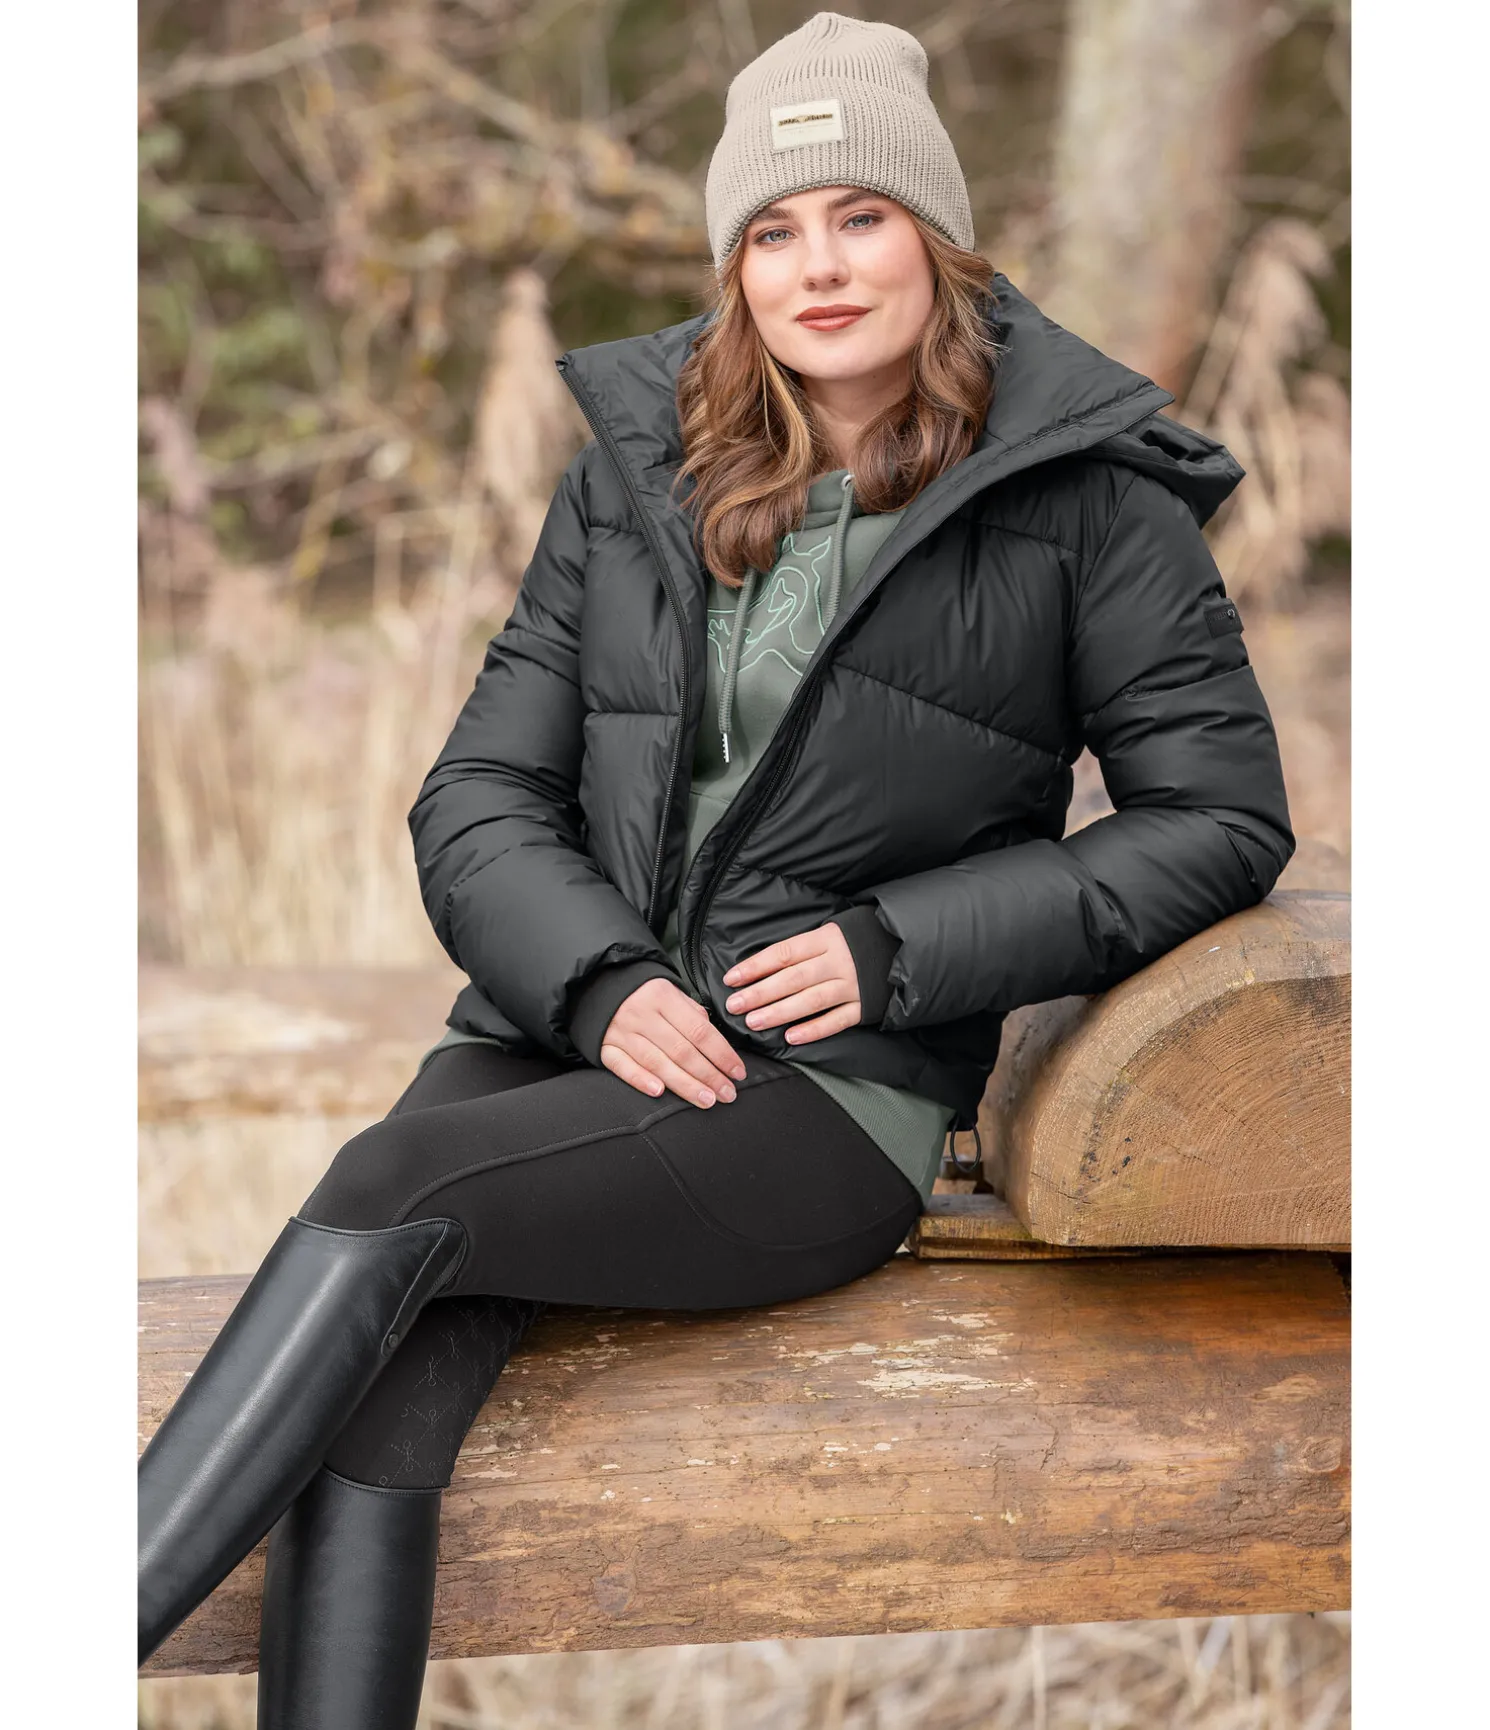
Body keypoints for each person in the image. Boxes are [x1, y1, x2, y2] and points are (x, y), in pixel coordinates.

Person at [137, 11, 1295, 1722]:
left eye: (859, 216)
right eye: (772, 229)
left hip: (822, 1096)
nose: (816, 267)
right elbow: (477, 793)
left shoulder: (1088, 501)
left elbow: (1219, 818)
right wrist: (600, 979)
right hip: (576, 1029)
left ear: (936, 237)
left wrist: (895, 947)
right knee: (385, 1384)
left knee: (384, 1185)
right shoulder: (636, 468)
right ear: (734, 265)